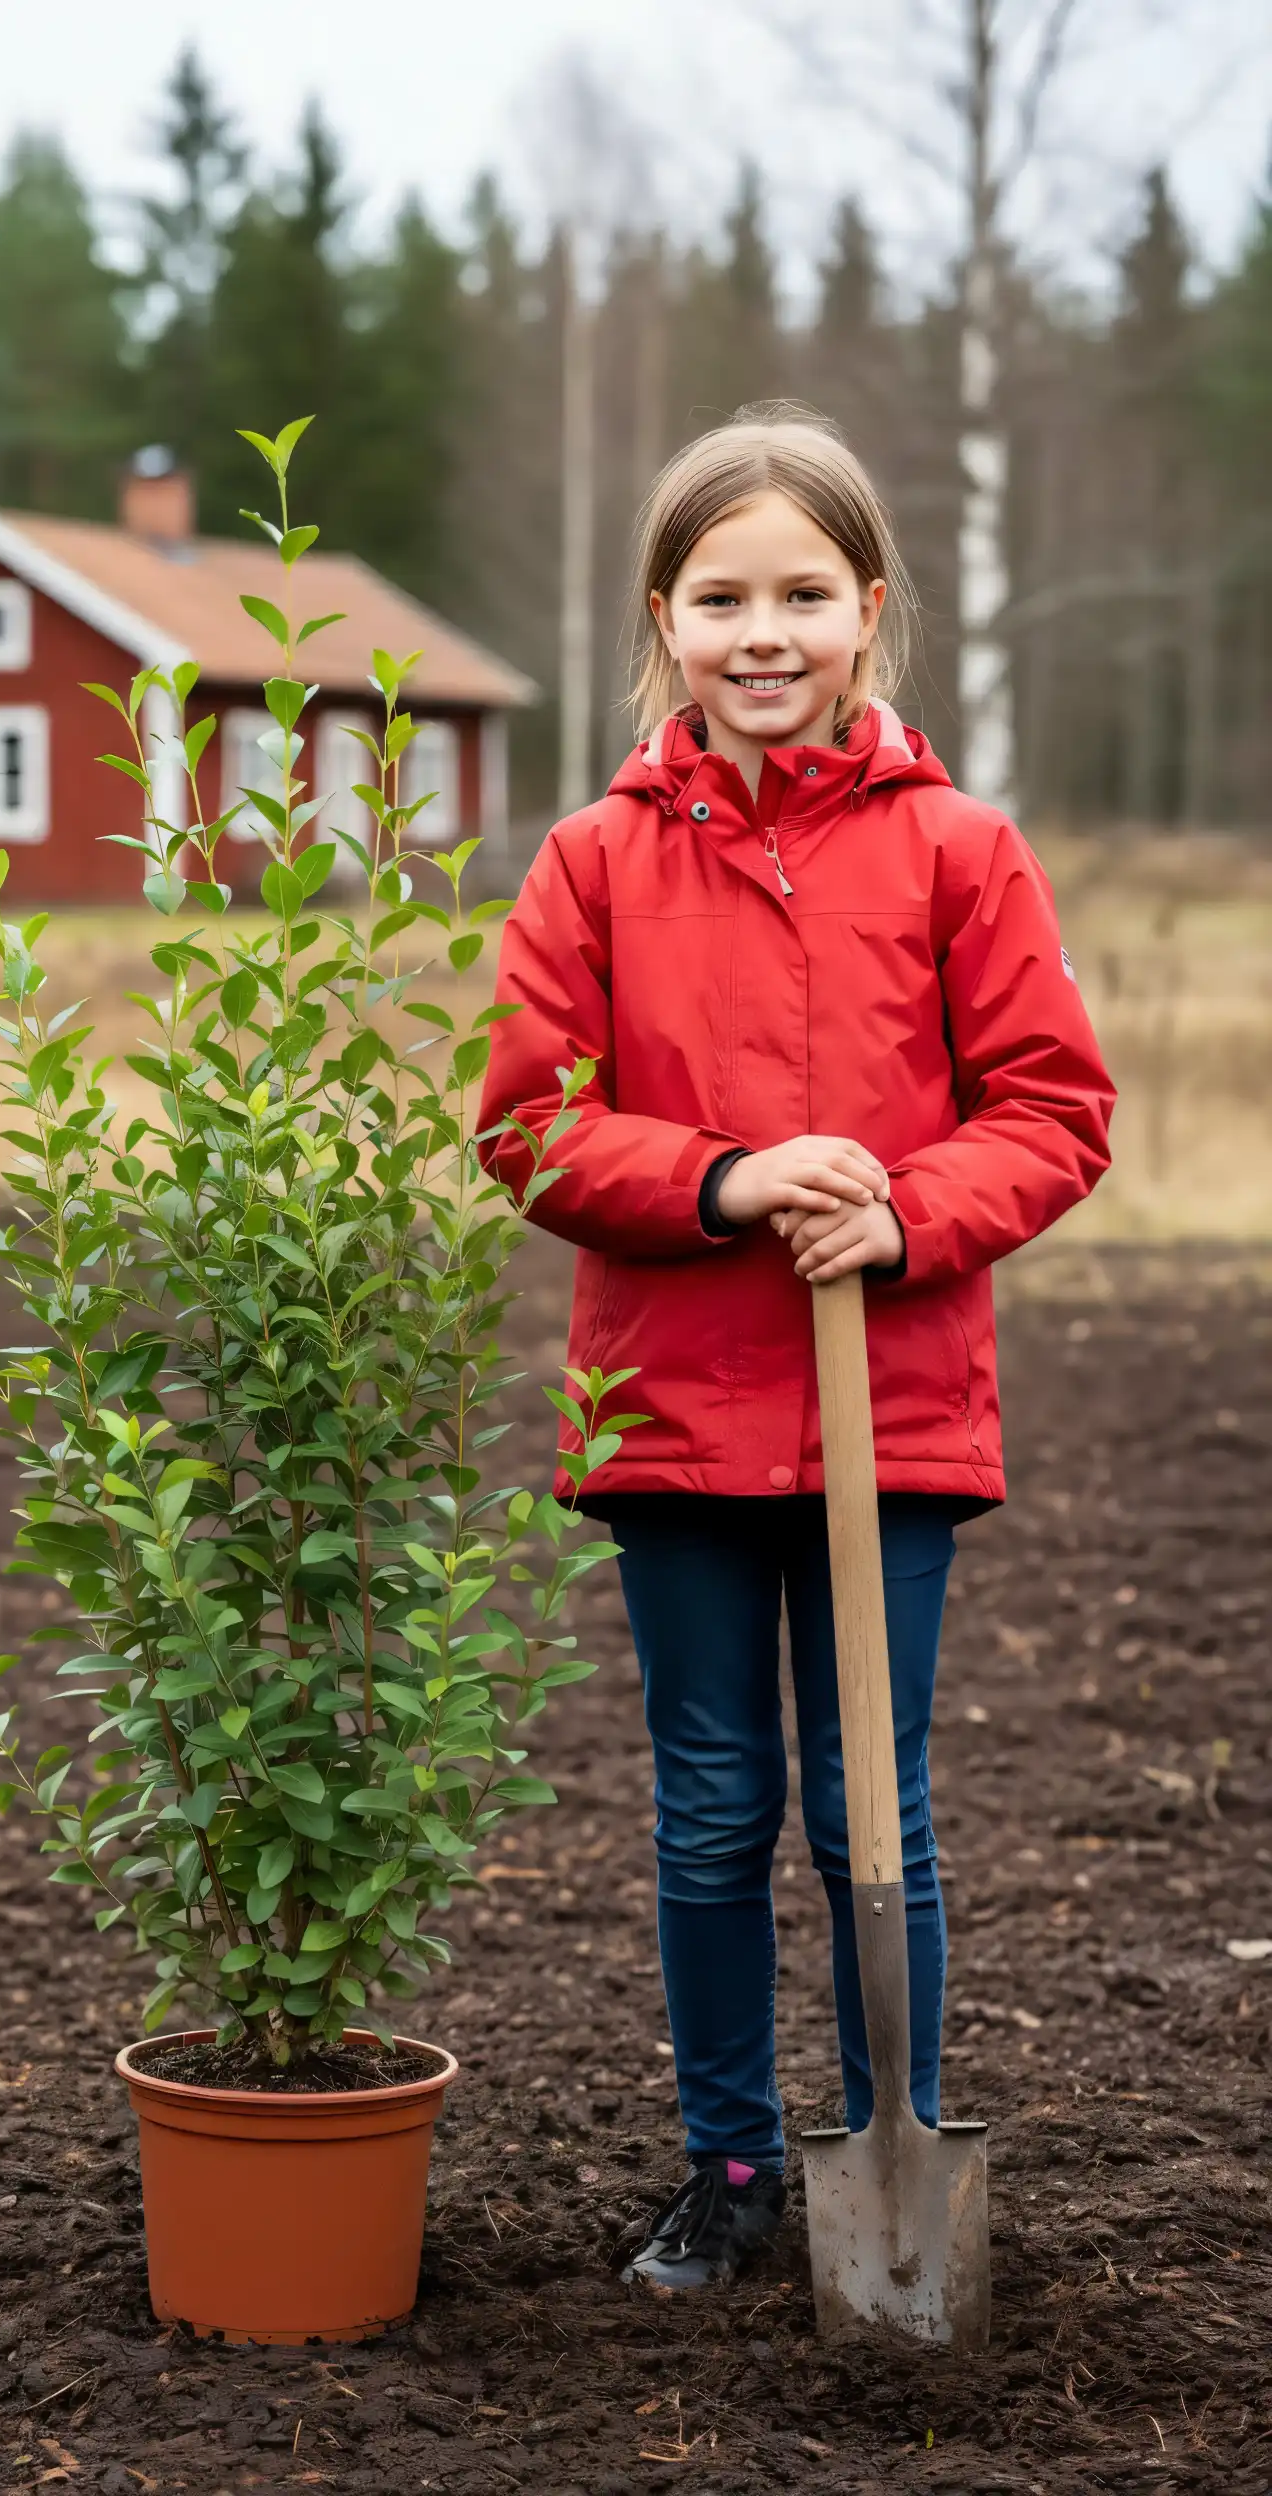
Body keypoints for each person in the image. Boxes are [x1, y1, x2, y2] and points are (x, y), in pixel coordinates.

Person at [476, 403, 1115, 2291]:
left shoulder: (959, 853)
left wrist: (910, 1214)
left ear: (871, 608)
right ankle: (737, 2173)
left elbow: (1054, 1109)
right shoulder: (593, 864)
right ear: (665, 616)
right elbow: (528, 1128)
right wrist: (737, 1176)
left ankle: (890, 2141)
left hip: (887, 1417)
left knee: (868, 1805)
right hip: (671, 1414)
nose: (767, 634)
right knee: (710, 1805)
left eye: (806, 594)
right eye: (723, 596)